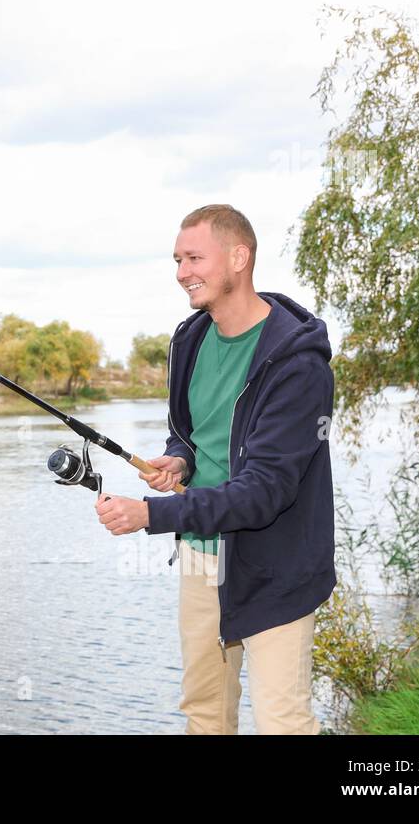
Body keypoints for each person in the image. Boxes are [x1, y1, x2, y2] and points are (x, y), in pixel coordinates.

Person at [94, 204, 336, 734]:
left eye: (194, 257)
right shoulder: (190, 339)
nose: (182, 272)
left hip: (277, 565)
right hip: (202, 561)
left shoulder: (299, 364)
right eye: (178, 259)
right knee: (204, 714)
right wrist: (180, 458)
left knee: (283, 724)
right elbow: (189, 430)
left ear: (239, 257)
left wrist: (152, 514)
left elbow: (266, 489)